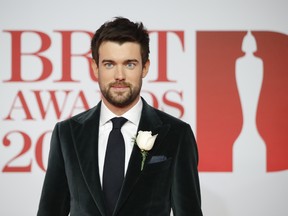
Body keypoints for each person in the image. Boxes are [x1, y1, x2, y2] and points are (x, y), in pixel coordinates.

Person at [37, 17, 203, 216]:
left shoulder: (176, 134)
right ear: (95, 68)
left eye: (130, 64)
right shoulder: (67, 134)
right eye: (109, 64)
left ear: (145, 67)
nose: (119, 75)